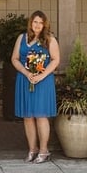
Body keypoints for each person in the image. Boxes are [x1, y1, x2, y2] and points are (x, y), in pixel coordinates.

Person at [11, 11, 60, 163]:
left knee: (40, 115)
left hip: (43, 81)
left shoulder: (50, 39)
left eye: (41, 22)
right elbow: (15, 58)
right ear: (30, 23)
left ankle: (44, 150)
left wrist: (41, 75)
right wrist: (26, 73)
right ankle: (32, 149)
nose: (38, 25)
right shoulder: (22, 38)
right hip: (25, 79)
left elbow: (55, 60)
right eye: (35, 22)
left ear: (45, 24)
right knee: (28, 116)